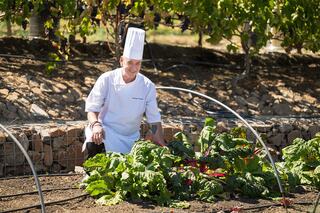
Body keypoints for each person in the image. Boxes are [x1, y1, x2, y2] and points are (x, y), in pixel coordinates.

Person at [82, 27, 166, 158]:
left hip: (131, 138)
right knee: (94, 141)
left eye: (138, 63)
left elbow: (154, 120)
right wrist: (96, 125)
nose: (134, 68)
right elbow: (92, 109)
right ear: (121, 60)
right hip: (106, 132)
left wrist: (160, 141)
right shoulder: (107, 79)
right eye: (130, 63)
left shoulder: (147, 86)